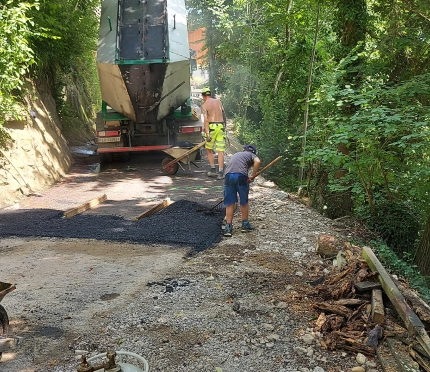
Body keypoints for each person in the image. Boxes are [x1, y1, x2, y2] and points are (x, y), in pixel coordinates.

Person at [223, 144, 261, 237]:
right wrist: (253, 175)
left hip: (228, 176)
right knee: (244, 201)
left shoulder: (237, 154)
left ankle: (228, 227)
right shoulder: (252, 155)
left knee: (230, 202)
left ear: (244, 150)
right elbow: (258, 162)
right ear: (254, 152)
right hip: (240, 177)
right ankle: (245, 224)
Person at [200, 87, 226, 180]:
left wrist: (207, 134)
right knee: (220, 151)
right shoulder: (218, 101)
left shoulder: (204, 105)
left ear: (203, 96)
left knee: (209, 149)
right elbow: (224, 114)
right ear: (210, 94)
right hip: (221, 127)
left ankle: (213, 169)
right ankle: (221, 172)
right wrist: (224, 127)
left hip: (211, 128)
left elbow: (206, 120)